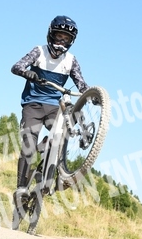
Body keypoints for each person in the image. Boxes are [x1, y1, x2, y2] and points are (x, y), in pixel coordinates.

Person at [11, 15, 89, 202]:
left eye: (66, 39)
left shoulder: (71, 60)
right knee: (28, 146)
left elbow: (81, 83)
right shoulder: (39, 51)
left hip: (54, 107)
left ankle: (58, 170)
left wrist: (90, 94)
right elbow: (16, 66)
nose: (61, 42)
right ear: (51, 35)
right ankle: (21, 188)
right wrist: (27, 73)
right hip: (33, 105)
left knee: (64, 131)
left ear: (71, 42)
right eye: (59, 37)